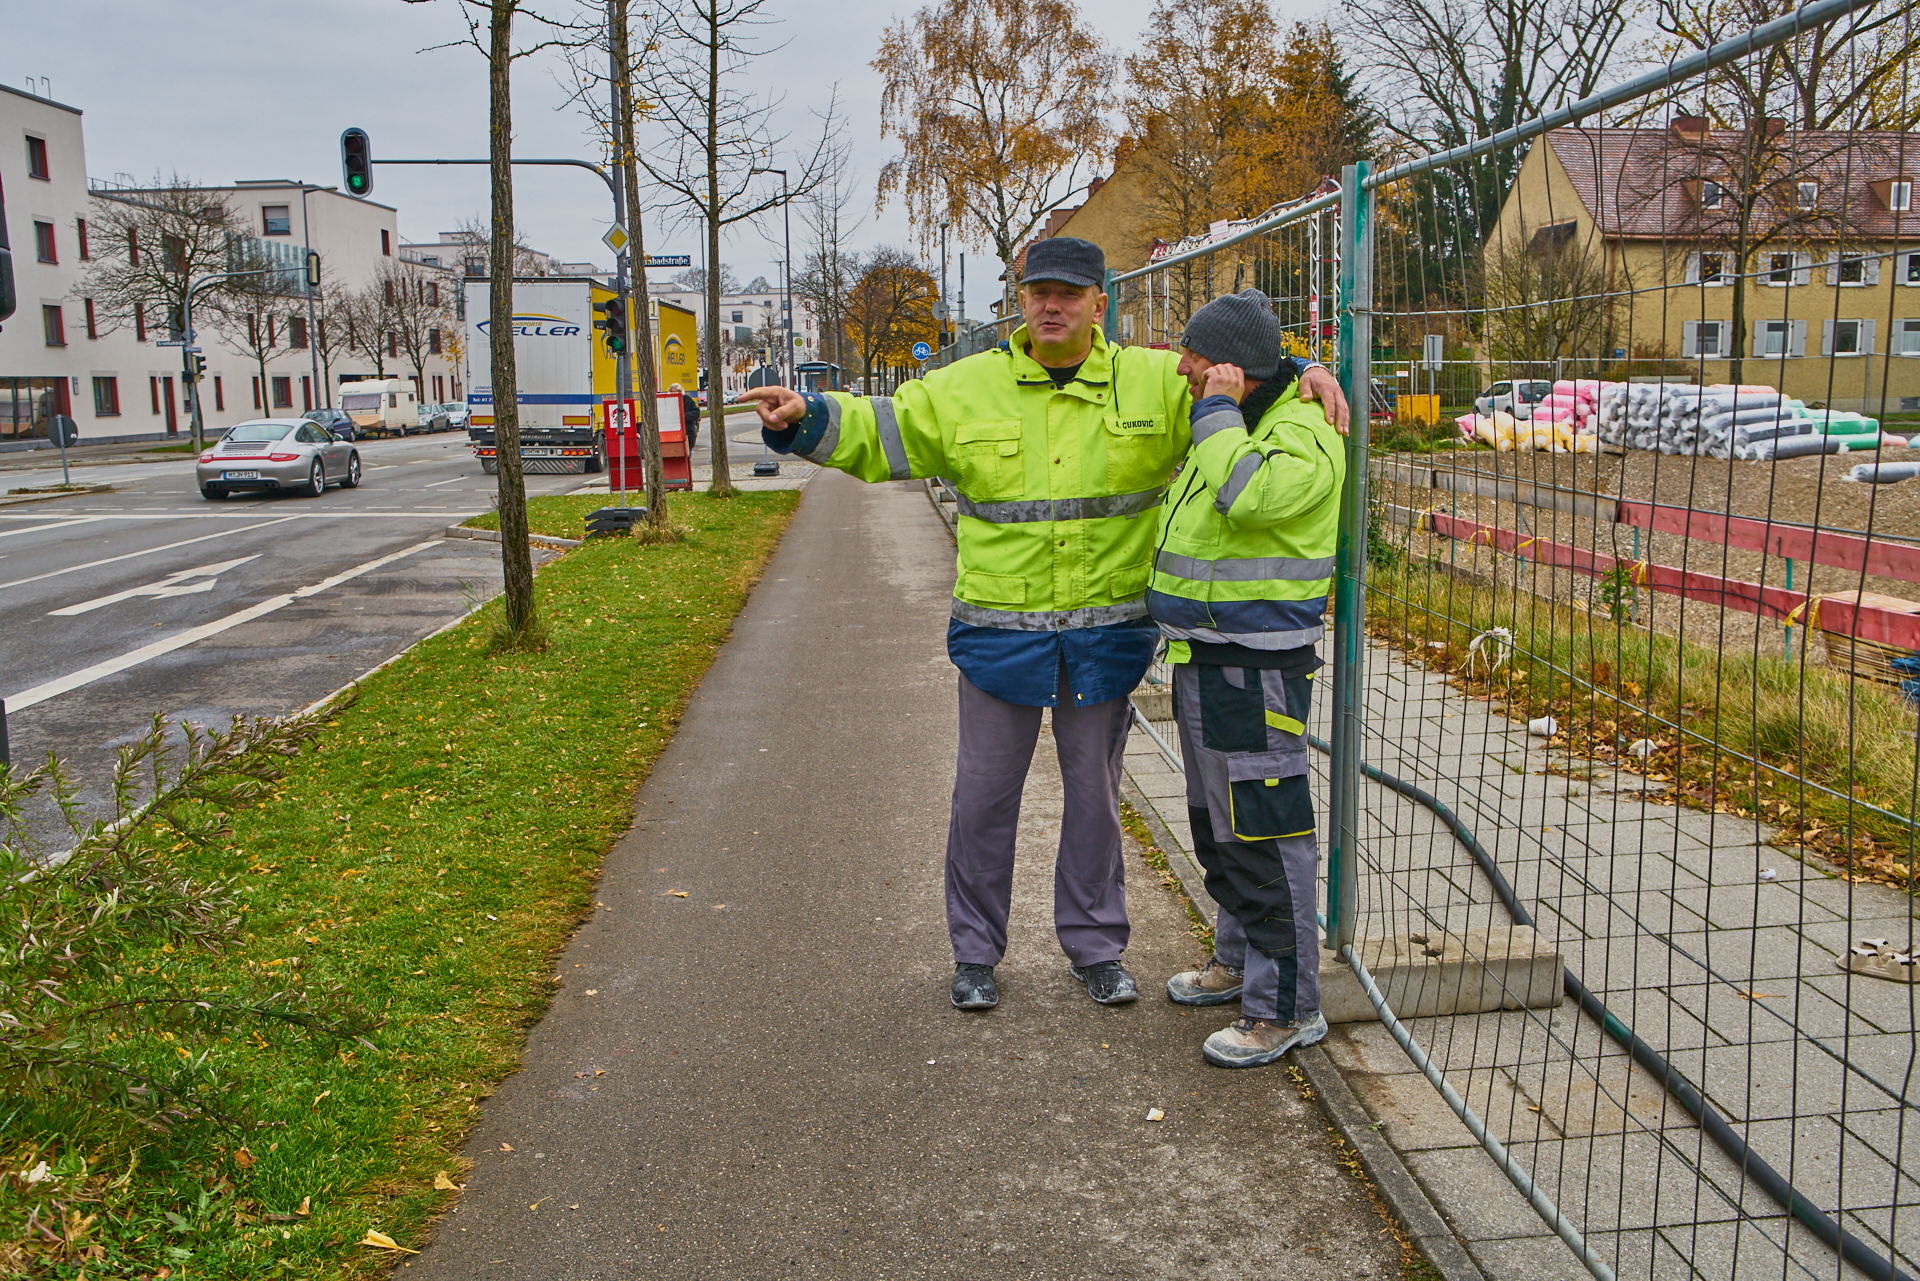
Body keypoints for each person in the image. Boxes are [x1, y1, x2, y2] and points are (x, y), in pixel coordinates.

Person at [739, 238, 1348, 1013]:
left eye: (1069, 293)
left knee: (1095, 800)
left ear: (1101, 303)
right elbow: (883, 429)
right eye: (1037, 293)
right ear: (1020, 302)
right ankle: (975, 953)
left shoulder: (1155, 381)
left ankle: (1096, 948)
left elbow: (1241, 378)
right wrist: (807, 418)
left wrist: (1309, 372)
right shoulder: (968, 388)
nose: (1051, 306)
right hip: (1000, 643)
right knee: (983, 800)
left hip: (1105, 642)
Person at [1152, 290, 1345, 1068]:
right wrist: (1299, 365)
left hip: (1257, 666)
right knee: (1220, 830)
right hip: (1207, 656)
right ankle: (1237, 962)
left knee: (1267, 836)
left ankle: (1286, 1007)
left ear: (1235, 366)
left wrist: (1222, 410)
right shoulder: (1249, 413)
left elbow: (1246, 494)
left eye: (1197, 355)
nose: (1183, 366)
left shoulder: (1301, 431)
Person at [668, 383, 700, 449]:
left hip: (687, 433)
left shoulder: (687, 400)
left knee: (687, 455)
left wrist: (683, 416)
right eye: (672, 393)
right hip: (672, 435)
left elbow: (696, 413)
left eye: (676, 392)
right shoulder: (667, 402)